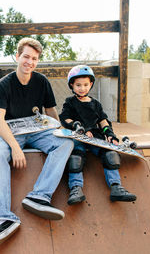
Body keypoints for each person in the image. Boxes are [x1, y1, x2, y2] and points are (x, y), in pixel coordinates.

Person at [0, 38, 74, 252]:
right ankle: (3, 219)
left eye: (34, 59)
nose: (29, 62)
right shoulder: (4, 85)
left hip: (37, 130)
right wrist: (14, 147)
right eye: (26, 57)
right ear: (17, 57)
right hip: (11, 132)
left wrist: (61, 131)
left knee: (65, 143)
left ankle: (39, 196)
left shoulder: (41, 82)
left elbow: (51, 113)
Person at [59, 65, 137, 205]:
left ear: (91, 84)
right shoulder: (70, 102)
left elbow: (103, 121)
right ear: (72, 85)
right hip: (78, 137)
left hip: (95, 137)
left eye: (85, 85)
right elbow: (65, 118)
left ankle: (116, 187)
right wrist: (77, 125)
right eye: (78, 85)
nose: (82, 88)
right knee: (76, 158)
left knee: (110, 154)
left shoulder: (96, 104)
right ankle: (76, 188)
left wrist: (110, 135)